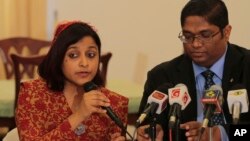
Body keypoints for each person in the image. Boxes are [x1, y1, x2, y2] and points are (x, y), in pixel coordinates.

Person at [137, 0, 250, 141]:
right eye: (188, 36)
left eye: (205, 35)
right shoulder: (162, 76)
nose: (195, 44)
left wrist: (221, 134)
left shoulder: (246, 67)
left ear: (226, 32)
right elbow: (146, 127)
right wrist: (152, 133)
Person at [15, 21, 129, 141]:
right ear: (58, 57)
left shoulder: (114, 103)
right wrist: (80, 115)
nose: (84, 63)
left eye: (91, 54)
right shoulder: (32, 95)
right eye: (73, 55)